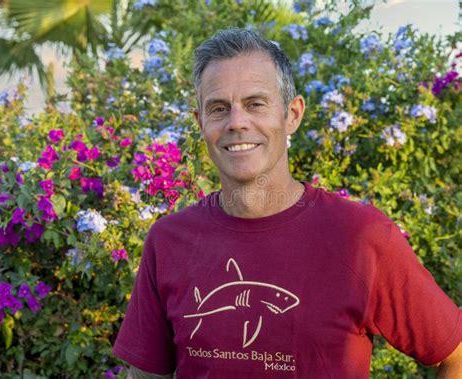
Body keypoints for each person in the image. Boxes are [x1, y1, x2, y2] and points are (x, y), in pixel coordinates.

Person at [113, 28, 461, 378]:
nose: (237, 122)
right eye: (219, 109)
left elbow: (455, 354)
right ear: (200, 122)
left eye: (255, 104)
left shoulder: (362, 237)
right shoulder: (168, 240)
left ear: (292, 114)